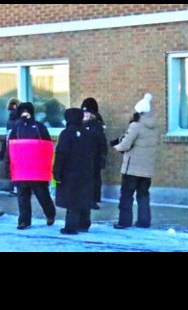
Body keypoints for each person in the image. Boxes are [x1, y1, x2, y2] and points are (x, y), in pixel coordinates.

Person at [112, 94, 159, 230]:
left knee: (126, 195)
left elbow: (125, 145)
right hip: (147, 169)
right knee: (143, 195)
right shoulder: (154, 127)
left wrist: (116, 146)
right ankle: (144, 221)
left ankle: (124, 221)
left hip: (131, 168)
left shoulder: (135, 126)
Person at [54, 108, 104, 234]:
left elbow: (61, 154)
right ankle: (84, 224)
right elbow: (96, 152)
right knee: (84, 197)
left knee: (72, 200)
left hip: (70, 172)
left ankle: (70, 227)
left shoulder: (66, 134)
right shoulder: (88, 134)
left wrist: (57, 171)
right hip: (87, 171)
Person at [8, 102, 57, 231]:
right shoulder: (16, 128)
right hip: (21, 169)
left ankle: (50, 214)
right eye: (22, 112)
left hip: (36, 169)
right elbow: (10, 147)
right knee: (22, 197)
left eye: (27, 111)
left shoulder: (39, 127)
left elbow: (47, 145)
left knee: (42, 195)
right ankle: (24, 220)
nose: (25, 114)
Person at [81, 97, 107, 209]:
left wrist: (102, 157)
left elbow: (102, 144)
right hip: (82, 157)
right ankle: (86, 198)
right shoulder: (79, 125)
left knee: (94, 178)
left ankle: (93, 199)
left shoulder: (96, 126)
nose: (85, 115)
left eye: (88, 112)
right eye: (84, 112)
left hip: (94, 157)